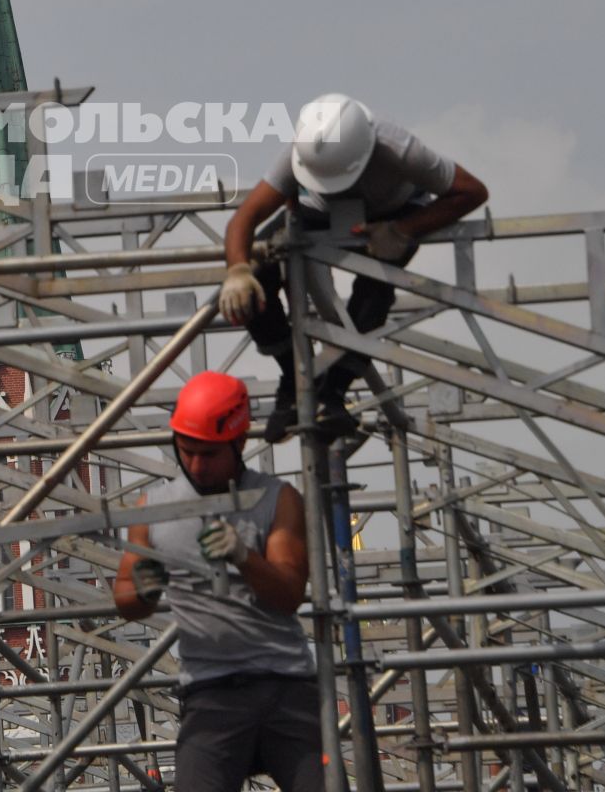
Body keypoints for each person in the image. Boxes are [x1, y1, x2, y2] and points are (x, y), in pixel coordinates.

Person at [219, 94, 488, 440]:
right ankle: (294, 380)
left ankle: (333, 392)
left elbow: (471, 191)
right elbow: (244, 218)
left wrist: (404, 230)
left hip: (396, 210)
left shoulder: (398, 148)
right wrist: (237, 272)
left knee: (375, 288)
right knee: (259, 274)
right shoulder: (301, 151)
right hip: (321, 213)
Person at [114, 372, 321, 792]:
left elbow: (289, 594)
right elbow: (123, 596)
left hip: (284, 684)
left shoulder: (276, 500)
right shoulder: (152, 510)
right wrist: (144, 590)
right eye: (187, 452)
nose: (196, 465)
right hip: (211, 692)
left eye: (208, 454)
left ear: (239, 443)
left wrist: (244, 557)